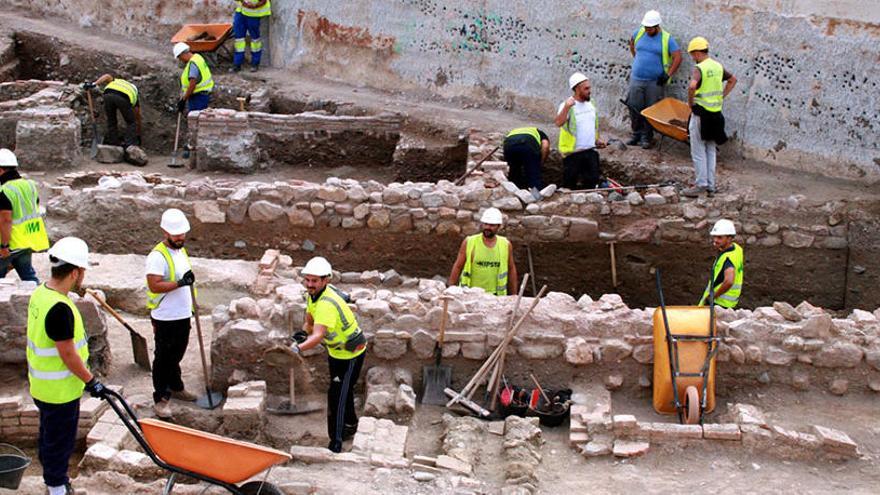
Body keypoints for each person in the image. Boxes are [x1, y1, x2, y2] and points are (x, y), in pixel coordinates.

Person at [27, 237, 107, 495]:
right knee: (59, 442)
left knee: (50, 436)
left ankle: (55, 480)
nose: (82, 277)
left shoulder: (41, 293)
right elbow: (68, 354)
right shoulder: (60, 309)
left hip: (43, 387)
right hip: (60, 391)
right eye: (82, 272)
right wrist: (90, 380)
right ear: (74, 272)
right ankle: (56, 487)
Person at [293, 256, 367, 453]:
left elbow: (318, 336)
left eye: (314, 281)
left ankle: (336, 443)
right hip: (337, 353)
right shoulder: (314, 295)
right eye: (307, 280)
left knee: (337, 396)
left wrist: (297, 348)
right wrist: (303, 333)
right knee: (344, 390)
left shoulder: (326, 303)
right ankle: (350, 425)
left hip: (351, 355)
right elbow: (309, 322)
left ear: (325, 280)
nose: (310, 284)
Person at [145, 208, 198, 418]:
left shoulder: (180, 251)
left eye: (182, 234)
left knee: (177, 352)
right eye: (176, 234)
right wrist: (179, 283)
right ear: (164, 232)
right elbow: (154, 285)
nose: (180, 237)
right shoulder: (157, 256)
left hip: (182, 313)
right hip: (165, 315)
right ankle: (161, 398)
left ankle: (176, 386)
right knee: (164, 357)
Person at [681, 37, 737, 198]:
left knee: (698, 150)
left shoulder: (700, 68)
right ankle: (711, 185)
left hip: (701, 114)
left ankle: (701, 185)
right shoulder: (718, 66)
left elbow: (692, 86)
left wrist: (690, 103)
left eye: (693, 54)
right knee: (710, 150)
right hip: (716, 114)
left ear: (697, 52)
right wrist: (722, 96)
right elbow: (733, 80)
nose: (692, 57)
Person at [626, 10, 682, 148]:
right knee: (634, 106)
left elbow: (678, 57)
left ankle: (647, 137)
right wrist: (639, 61)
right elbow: (632, 45)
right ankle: (636, 134)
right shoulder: (638, 33)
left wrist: (668, 74)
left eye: (649, 28)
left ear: (657, 26)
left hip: (655, 82)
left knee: (651, 110)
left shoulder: (667, 39)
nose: (647, 30)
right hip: (636, 78)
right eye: (645, 27)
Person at [0, 148, 49, 283]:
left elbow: (5, 220)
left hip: (10, 244)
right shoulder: (30, 185)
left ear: (1, 170)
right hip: (27, 240)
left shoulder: (4, 191)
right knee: (29, 278)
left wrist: (4, 247)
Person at [448, 207, 519, 296]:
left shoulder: (505, 244)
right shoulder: (470, 242)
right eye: (486, 224)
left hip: (496, 296)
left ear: (499, 226)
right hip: (470, 294)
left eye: (492, 225)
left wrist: (514, 295)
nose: (488, 227)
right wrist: (450, 290)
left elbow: (511, 269)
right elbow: (458, 266)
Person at [554, 72, 607, 190]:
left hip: (590, 151)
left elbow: (591, 125)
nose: (589, 90)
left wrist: (597, 139)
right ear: (577, 89)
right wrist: (566, 108)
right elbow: (558, 123)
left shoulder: (591, 103)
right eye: (586, 88)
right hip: (573, 154)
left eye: (589, 87)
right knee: (569, 186)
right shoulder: (567, 105)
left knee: (592, 185)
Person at [83, 74, 142, 148]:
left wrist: (93, 84)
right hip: (123, 98)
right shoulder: (134, 92)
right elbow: (137, 116)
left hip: (107, 95)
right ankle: (129, 145)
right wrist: (138, 135)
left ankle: (113, 143)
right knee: (131, 122)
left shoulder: (116, 81)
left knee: (111, 121)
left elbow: (106, 76)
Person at [698, 219, 744, 308]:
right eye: (714, 236)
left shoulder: (728, 259)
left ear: (729, 238)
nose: (715, 240)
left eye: (719, 237)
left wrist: (713, 296)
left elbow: (729, 281)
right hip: (729, 302)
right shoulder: (737, 249)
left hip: (719, 303)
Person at [503, 127, 550, 195]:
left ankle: (515, 196)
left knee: (514, 173)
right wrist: (540, 163)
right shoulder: (540, 133)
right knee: (533, 175)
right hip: (527, 145)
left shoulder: (515, 131)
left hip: (509, 145)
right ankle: (536, 198)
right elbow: (545, 146)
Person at [173, 42, 214, 114]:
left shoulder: (193, 64)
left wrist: (183, 100)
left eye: (180, 57)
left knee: (196, 119)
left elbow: (192, 84)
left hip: (198, 97)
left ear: (183, 54)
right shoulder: (198, 57)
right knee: (198, 119)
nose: (180, 60)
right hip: (200, 95)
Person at [233, 0, 272, 72]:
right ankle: (237, 64)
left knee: (255, 40)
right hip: (241, 12)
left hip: (254, 14)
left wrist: (255, 6)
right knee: (239, 40)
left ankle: (255, 63)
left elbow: (264, 1)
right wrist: (243, 2)